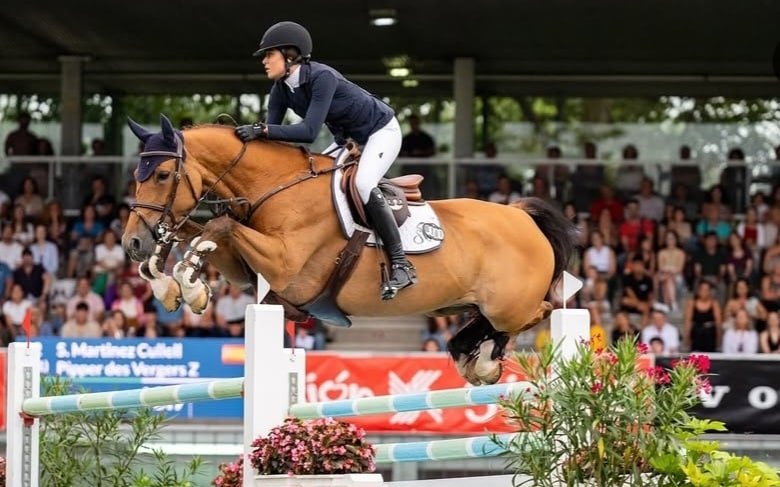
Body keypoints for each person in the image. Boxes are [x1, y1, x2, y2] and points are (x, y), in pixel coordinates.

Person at [234, 21, 416, 300]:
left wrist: (261, 130)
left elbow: (308, 132)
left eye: (269, 54)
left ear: (290, 54)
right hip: (348, 140)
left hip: (380, 132)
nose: (265, 61)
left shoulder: (322, 77)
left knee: (365, 184)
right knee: (308, 179)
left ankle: (402, 264)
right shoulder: (281, 88)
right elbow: (269, 137)